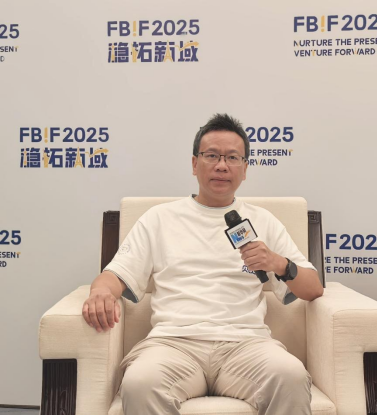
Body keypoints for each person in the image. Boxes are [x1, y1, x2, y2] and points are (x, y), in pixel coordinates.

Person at [82, 113, 324, 415]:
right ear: (195, 164)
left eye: (232, 158)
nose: (222, 166)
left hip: (246, 345)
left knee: (291, 376)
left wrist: (277, 263)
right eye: (212, 156)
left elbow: (313, 289)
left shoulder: (263, 220)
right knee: (140, 383)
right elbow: (114, 276)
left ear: (245, 169)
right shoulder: (160, 218)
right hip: (173, 344)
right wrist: (100, 292)